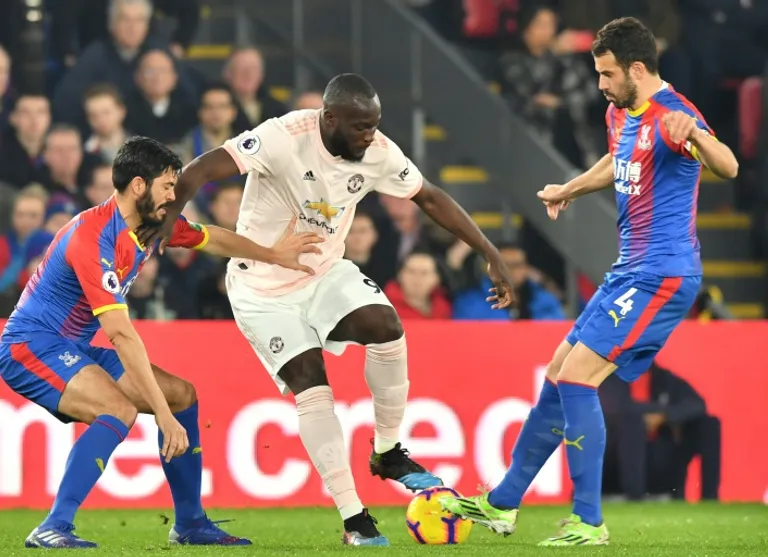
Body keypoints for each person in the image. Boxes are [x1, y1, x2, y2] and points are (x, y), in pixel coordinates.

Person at [138, 73, 516, 546]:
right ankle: (354, 517)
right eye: (361, 127)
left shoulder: (378, 151)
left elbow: (430, 197)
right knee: (312, 384)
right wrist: (169, 217)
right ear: (330, 118)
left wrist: (489, 252)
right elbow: (201, 169)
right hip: (261, 287)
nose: (370, 135)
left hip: (323, 272)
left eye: (374, 125)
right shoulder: (283, 136)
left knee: (386, 325)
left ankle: (388, 451)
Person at [439, 16, 738, 546]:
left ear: (637, 69)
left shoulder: (676, 114)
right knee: (558, 372)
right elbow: (617, 160)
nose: (599, 83)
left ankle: (588, 521)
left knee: (578, 378)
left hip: (663, 274)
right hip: (629, 269)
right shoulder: (619, 111)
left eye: (607, 73)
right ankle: (503, 503)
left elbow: (729, 165)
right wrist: (569, 189)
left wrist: (696, 135)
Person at [0, 136, 322, 549]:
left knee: (181, 395)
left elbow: (211, 238)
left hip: (70, 347)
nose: (174, 195)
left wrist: (273, 255)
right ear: (138, 185)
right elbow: (121, 335)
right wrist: (162, 418)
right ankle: (53, 526)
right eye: (168, 186)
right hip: (29, 347)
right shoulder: (93, 238)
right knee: (118, 409)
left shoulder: (152, 224)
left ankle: (190, 523)